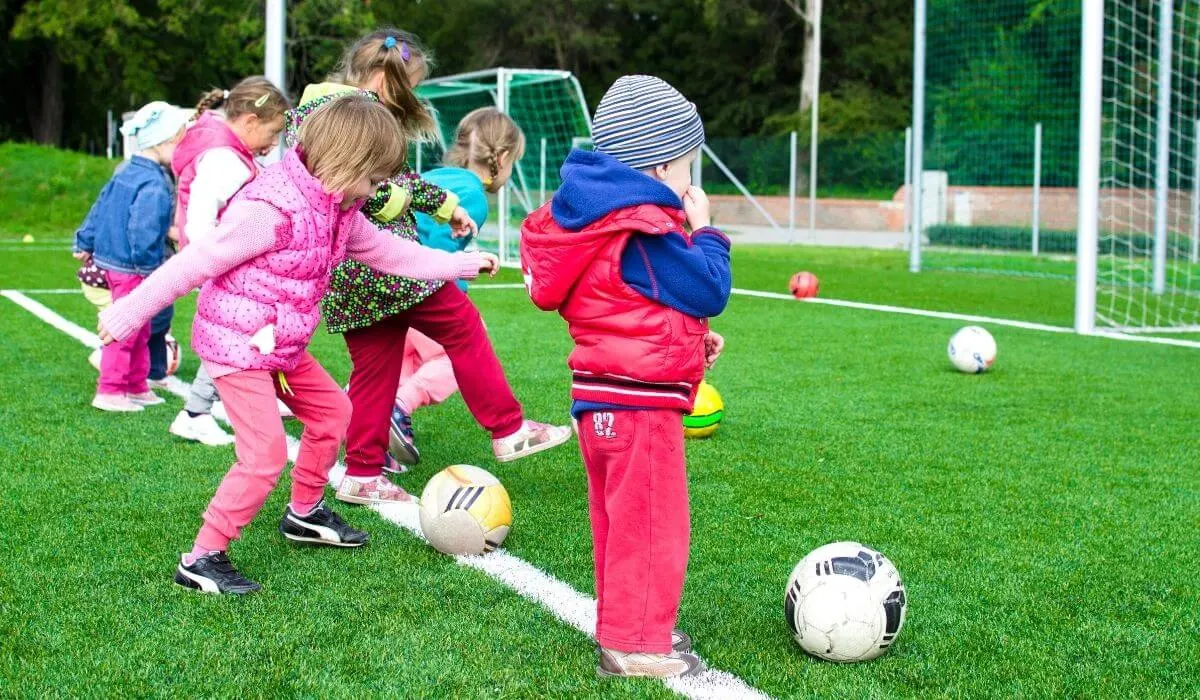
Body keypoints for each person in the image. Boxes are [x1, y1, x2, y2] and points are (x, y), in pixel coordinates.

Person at [96, 95, 499, 595]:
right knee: (264, 454)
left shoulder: (339, 206)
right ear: (345, 163)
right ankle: (201, 557)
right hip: (237, 345)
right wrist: (128, 312)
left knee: (335, 414)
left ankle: (304, 514)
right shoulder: (270, 209)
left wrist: (460, 264)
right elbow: (194, 262)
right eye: (374, 180)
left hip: (280, 345)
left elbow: (388, 252)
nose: (378, 191)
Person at [286, 28, 570, 507]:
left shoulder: (319, 109)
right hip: (385, 265)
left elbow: (395, 178)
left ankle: (361, 472)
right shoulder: (349, 114)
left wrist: (445, 207)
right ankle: (508, 428)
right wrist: (406, 206)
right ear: (382, 77)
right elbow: (366, 189)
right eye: (408, 87)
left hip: (349, 275)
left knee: (377, 369)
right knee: (462, 326)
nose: (410, 98)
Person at [520, 75, 732, 679]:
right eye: (689, 165)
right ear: (662, 164)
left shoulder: (599, 220)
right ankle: (635, 643)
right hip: (637, 408)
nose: (692, 181)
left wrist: (690, 342)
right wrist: (707, 230)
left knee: (620, 522)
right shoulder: (643, 227)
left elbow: (627, 304)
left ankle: (627, 623)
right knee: (651, 524)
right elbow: (708, 287)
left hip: (603, 399)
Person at [387, 106, 526, 467]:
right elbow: (437, 252)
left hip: (384, 285)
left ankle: (361, 416)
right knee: (457, 354)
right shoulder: (474, 198)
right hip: (419, 288)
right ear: (504, 157)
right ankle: (399, 407)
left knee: (399, 361)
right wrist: (463, 269)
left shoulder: (436, 176)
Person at [167, 76, 291, 447]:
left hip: (222, 263)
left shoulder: (228, 151)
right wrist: (213, 264)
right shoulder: (226, 160)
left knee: (250, 332)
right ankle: (195, 412)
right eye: (272, 133)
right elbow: (201, 218)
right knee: (234, 336)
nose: (273, 146)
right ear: (250, 122)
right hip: (222, 266)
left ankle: (244, 400)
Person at [73, 101, 193, 412]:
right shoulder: (154, 182)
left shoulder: (126, 169)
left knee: (141, 326)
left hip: (118, 262)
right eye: (179, 141)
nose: (181, 149)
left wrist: (85, 239)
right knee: (127, 328)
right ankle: (110, 390)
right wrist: (150, 270)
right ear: (163, 142)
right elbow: (143, 230)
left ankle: (136, 385)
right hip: (134, 267)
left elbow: (99, 205)